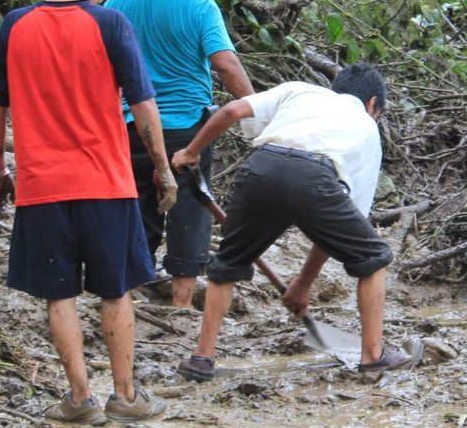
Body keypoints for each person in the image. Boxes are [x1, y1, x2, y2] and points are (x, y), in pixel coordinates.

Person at [0, 0, 175, 425]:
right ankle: (127, 397)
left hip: (42, 187)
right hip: (106, 184)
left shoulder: (15, 25)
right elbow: (143, 104)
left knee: (59, 294)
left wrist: (0, 170)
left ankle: (80, 399)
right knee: (116, 291)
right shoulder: (110, 24)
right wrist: (162, 168)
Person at [167, 62, 421, 376]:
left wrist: (191, 151)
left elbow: (231, 111)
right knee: (374, 257)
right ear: (373, 105)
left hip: (261, 167)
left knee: (228, 263)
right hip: (316, 177)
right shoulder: (367, 128)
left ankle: (201, 359)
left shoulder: (299, 91)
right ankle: (373, 355)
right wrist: (304, 283)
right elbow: (343, 225)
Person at [106, 0, 255, 308]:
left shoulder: (119, 0)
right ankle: (181, 303)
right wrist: (257, 108)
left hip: (129, 126)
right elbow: (225, 64)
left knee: (138, 204)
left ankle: (131, 294)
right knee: (189, 207)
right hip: (185, 128)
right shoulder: (200, 4)